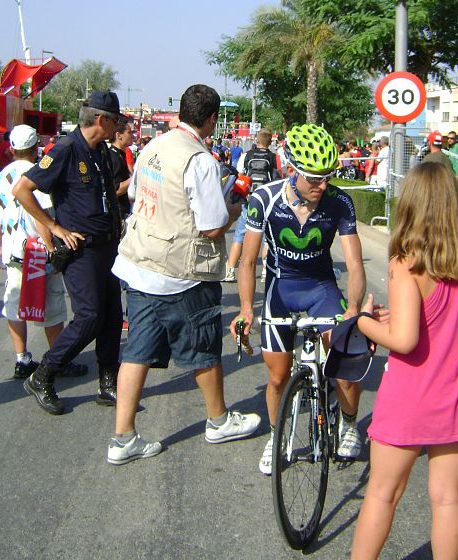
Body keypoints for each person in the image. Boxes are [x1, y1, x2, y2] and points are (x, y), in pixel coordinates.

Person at [107, 84, 260, 465]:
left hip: (140, 263)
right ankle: (219, 420)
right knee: (203, 348)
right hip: (181, 271)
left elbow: (135, 195)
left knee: (137, 351)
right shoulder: (200, 159)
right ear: (212, 119)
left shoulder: (153, 146)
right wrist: (233, 209)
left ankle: (123, 436)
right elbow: (212, 226)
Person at [351, 162, 458, 560]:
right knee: (449, 499)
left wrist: (362, 321)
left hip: (411, 395)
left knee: (383, 494)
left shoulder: (406, 262)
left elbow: (405, 340)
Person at [230, 123, 367, 475]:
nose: (322, 185)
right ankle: (276, 437)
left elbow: (354, 264)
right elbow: (247, 261)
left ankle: (349, 423)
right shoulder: (265, 199)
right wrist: (246, 309)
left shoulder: (339, 202)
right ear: (291, 169)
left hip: (321, 288)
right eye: (314, 178)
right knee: (277, 377)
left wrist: (353, 310)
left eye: (327, 176)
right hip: (281, 289)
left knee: (345, 363)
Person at [12, 91, 123, 416]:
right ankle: (44, 374)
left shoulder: (101, 151)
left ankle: (107, 382)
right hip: (81, 249)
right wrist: (54, 227)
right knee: (89, 317)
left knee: (112, 317)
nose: (119, 126)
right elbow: (22, 190)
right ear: (101, 119)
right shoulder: (65, 149)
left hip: (107, 247)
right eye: (116, 120)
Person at [0, 125, 86, 380]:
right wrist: (53, 248)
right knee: (51, 306)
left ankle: (21, 358)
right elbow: (42, 215)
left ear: (11, 149)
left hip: (13, 250)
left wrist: (0, 248)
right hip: (37, 251)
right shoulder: (39, 173)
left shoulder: (2, 176)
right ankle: (58, 359)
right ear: (36, 148)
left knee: (14, 305)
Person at [222, 128, 278, 283]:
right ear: (270, 142)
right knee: (267, 238)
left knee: (239, 236)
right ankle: (266, 270)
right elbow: (278, 177)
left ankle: (230, 270)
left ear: (256, 140)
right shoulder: (274, 157)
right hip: (267, 201)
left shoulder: (247, 155)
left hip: (249, 200)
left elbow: (240, 175)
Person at [108, 116, 134, 222]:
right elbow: (115, 190)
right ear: (119, 135)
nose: (132, 135)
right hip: (119, 215)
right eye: (129, 132)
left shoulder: (119, 155)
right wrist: (136, 176)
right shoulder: (113, 157)